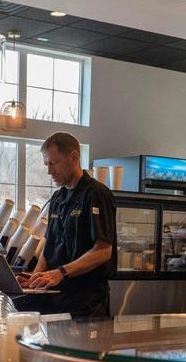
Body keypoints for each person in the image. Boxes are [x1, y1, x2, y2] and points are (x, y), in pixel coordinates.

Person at [19, 132, 116, 318]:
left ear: (73, 157)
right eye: (47, 164)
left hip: (86, 302)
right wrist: (35, 280)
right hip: (57, 298)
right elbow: (50, 246)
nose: (49, 171)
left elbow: (103, 250)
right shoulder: (58, 198)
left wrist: (60, 273)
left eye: (53, 163)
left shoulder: (96, 194)